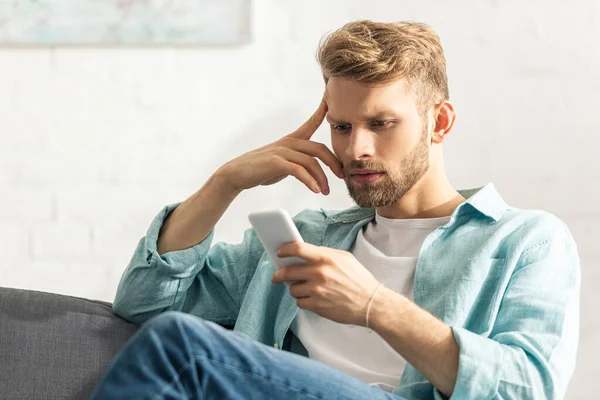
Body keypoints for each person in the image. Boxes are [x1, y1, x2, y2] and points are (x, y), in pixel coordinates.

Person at [89, 20, 580, 400]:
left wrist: (374, 306)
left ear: (440, 122)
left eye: (381, 123)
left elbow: (527, 389)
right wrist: (226, 182)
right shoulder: (308, 238)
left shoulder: (523, 241)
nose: (357, 148)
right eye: (342, 127)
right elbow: (144, 302)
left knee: (183, 346)